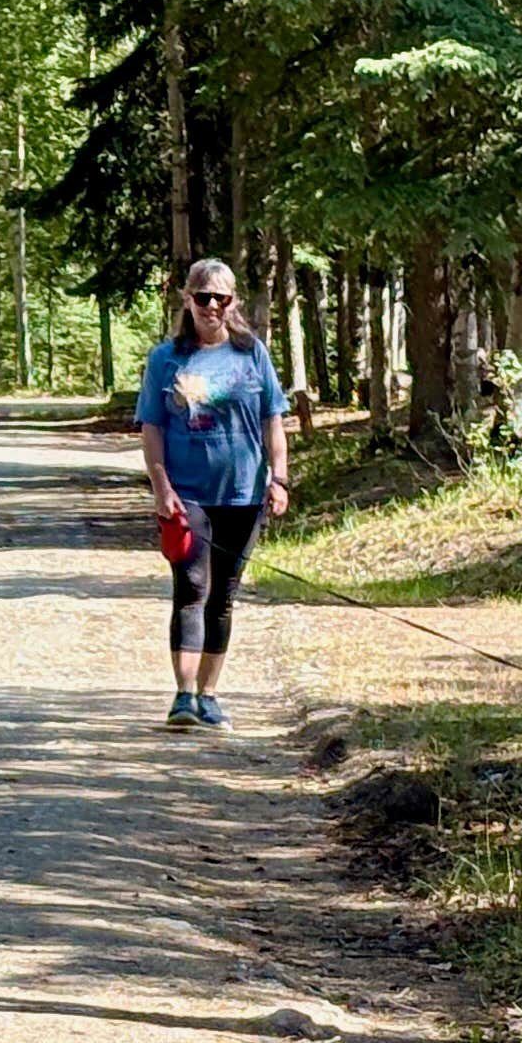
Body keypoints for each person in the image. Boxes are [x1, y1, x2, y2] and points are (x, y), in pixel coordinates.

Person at [136, 258, 289, 729]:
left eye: (221, 298)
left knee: (223, 593)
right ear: (187, 300)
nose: (212, 307)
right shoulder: (166, 359)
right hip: (188, 496)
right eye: (203, 297)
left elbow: (273, 420)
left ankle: (210, 694)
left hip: (243, 495)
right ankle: (183, 697)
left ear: (233, 303)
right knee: (192, 588)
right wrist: (161, 487)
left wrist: (278, 477)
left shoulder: (252, 354)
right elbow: (152, 428)